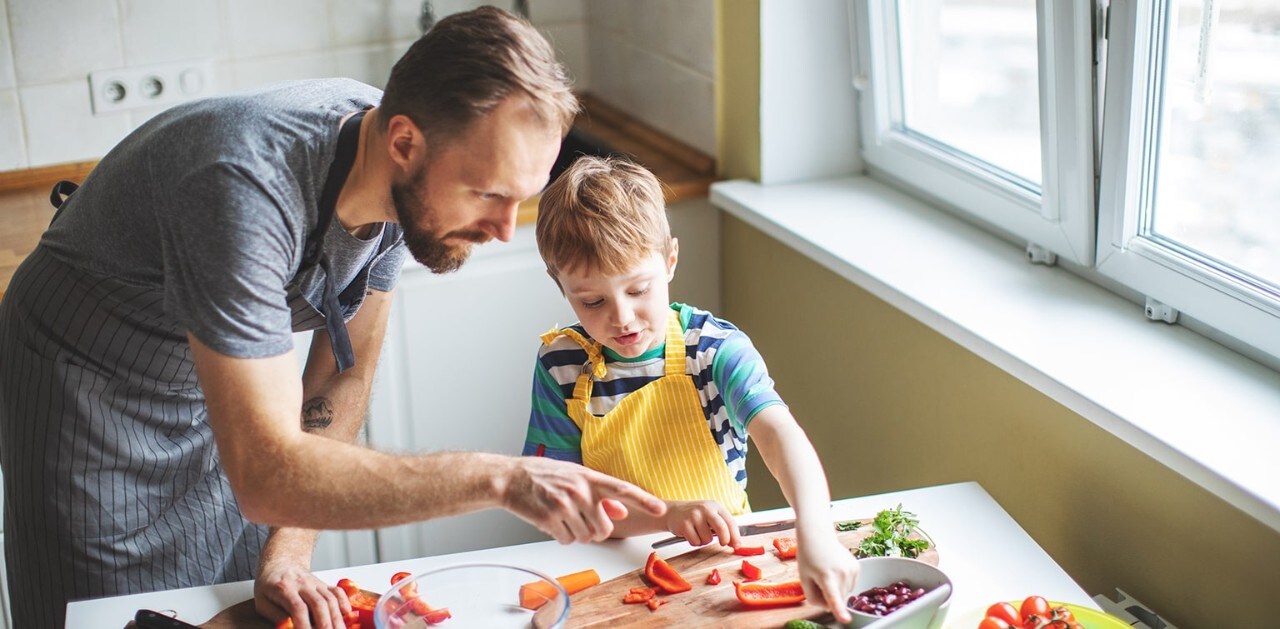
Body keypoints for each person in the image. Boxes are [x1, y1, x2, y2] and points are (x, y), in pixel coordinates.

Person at [0, 8, 666, 629]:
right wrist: (504, 478)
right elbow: (266, 476)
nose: (501, 229)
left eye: (518, 198)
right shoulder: (240, 190)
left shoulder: (405, 179)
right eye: (488, 194)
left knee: (235, 601)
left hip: (212, 390)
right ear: (404, 141)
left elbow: (338, 382)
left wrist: (289, 551)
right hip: (89, 396)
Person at [521, 156, 860, 622]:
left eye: (638, 289)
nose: (621, 317)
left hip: (724, 561)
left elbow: (780, 437)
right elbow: (559, 501)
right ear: (560, 285)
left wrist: (816, 532)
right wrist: (668, 515)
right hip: (609, 570)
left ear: (670, 261)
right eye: (593, 300)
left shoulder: (714, 350)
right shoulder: (560, 366)